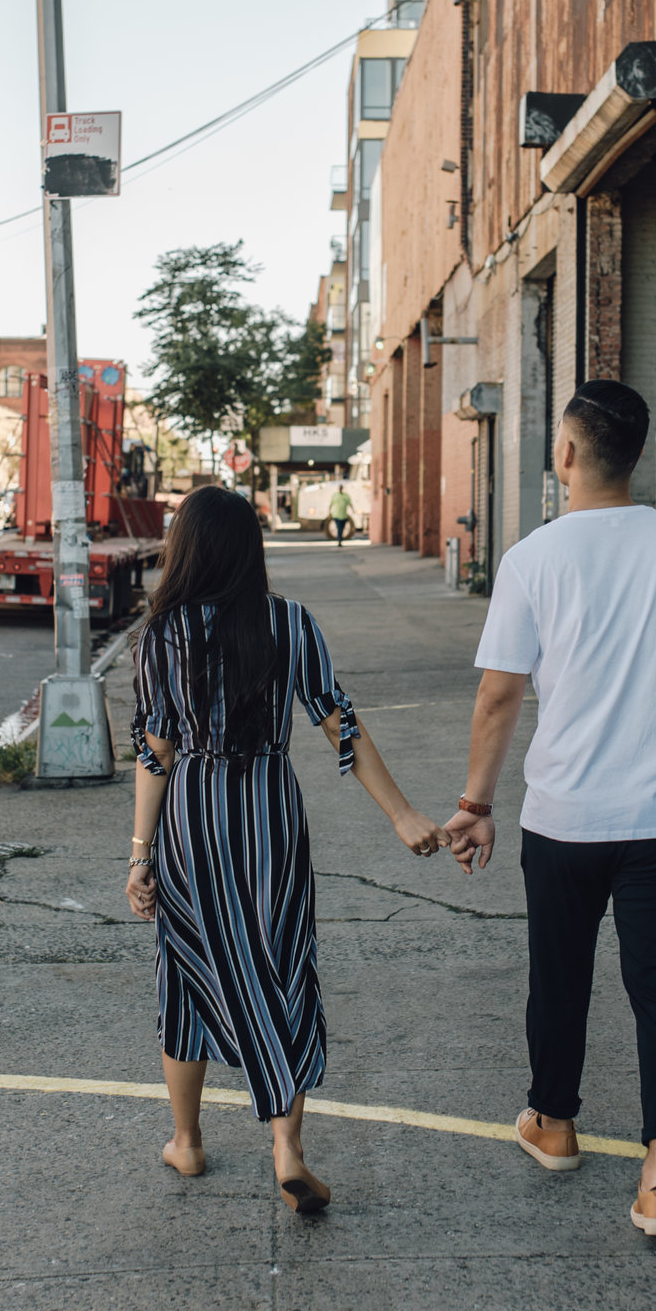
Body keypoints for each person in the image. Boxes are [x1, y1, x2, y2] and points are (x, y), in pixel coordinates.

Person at [443, 380, 656, 1238]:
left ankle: (555, 1121)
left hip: (566, 814)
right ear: (637, 455)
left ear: (566, 454)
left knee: (560, 972)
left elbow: (499, 696)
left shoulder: (534, 558)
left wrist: (475, 803)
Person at [125, 485, 447, 1214]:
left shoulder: (162, 633)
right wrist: (400, 813)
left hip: (192, 818)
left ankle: (188, 1140)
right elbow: (341, 725)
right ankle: (287, 1143)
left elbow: (156, 754)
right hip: (271, 811)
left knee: (185, 971)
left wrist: (141, 854)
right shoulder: (290, 624)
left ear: (186, 549)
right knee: (281, 964)